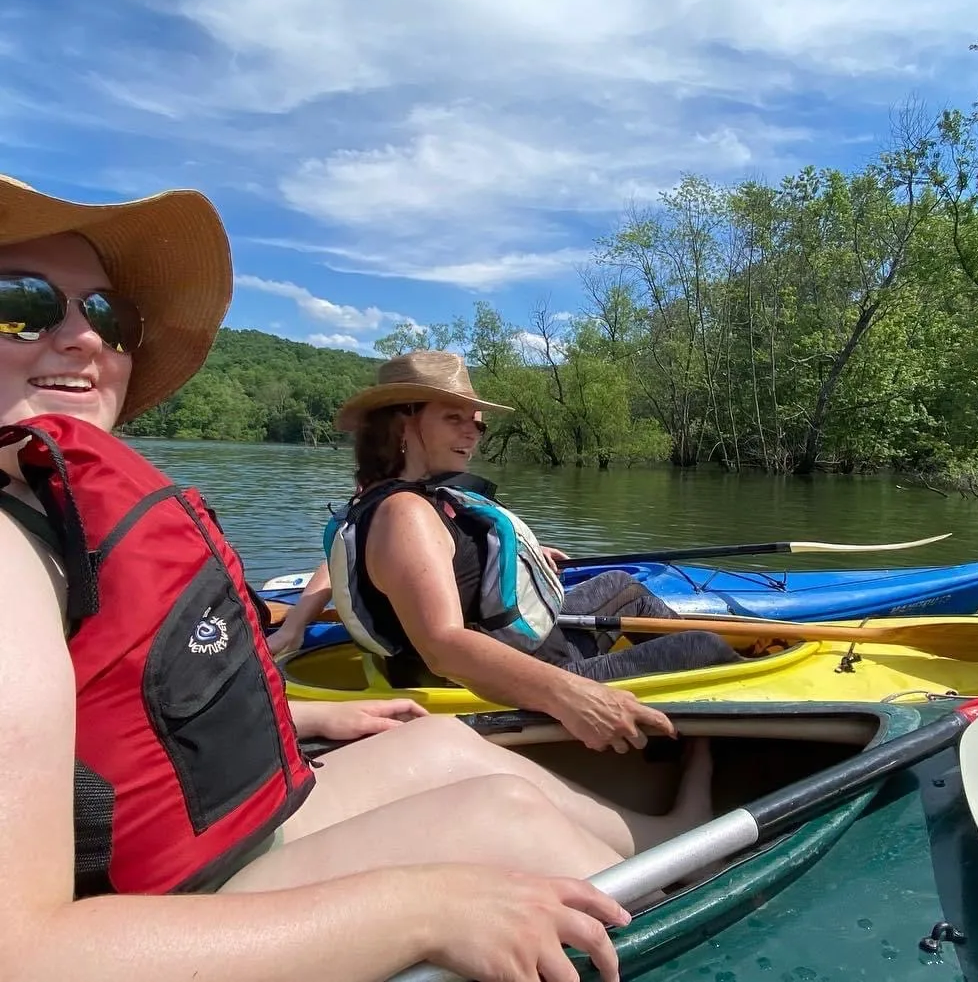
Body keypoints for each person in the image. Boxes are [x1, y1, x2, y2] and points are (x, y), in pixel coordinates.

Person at [0, 175, 715, 982]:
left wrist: (302, 714)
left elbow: (98, 727)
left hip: (228, 825)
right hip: (176, 905)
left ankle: (663, 847)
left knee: (443, 744)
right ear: (407, 423)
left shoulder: (42, 511)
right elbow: (20, 958)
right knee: (497, 815)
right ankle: (684, 914)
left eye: (109, 316)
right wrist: (426, 908)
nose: (84, 339)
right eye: (21, 304)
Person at [281, 352, 742, 754]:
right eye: (454, 418)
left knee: (622, 587)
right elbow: (442, 646)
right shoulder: (406, 512)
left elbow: (344, 564)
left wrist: (299, 619)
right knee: (701, 646)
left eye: (477, 423)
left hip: (509, 649)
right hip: (503, 677)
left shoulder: (379, 499)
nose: (473, 433)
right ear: (403, 421)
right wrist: (570, 694)